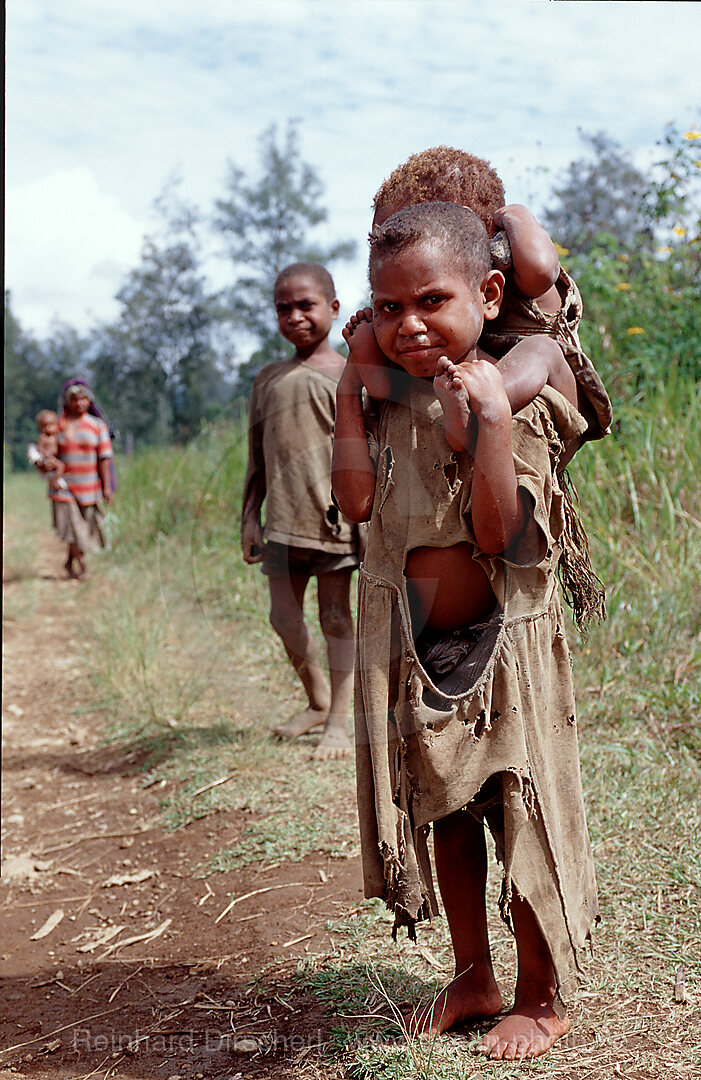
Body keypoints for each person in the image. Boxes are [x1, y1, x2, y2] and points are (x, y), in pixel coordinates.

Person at [332, 202, 601, 1061]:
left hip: (503, 654)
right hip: (419, 651)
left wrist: (486, 420)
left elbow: (501, 536)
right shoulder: (389, 392)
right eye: (386, 308)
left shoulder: (513, 381)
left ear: (488, 295)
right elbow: (355, 503)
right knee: (447, 814)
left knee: (519, 814)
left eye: (429, 303)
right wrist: (349, 383)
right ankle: (472, 973)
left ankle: (539, 994)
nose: (407, 326)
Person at [345, 145, 612, 464]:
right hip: (464, 411)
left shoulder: (519, 273)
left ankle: (482, 405)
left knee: (542, 351)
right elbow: (381, 387)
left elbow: (542, 269)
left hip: (555, 405)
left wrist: (516, 216)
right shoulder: (417, 310)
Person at [241, 262, 358, 761]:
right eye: (283, 308)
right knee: (282, 616)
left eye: (305, 305)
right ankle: (316, 700)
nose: (294, 316)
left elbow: (365, 453)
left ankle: (339, 721)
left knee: (334, 617)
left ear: (333, 308)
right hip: (283, 523)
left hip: (333, 522)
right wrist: (250, 516)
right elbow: (256, 456)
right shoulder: (268, 378)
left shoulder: (350, 377)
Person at [48, 379, 114, 579]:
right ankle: (82, 566)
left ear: (89, 401)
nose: (79, 404)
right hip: (63, 486)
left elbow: (104, 458)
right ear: (67, 402)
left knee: (82, 527)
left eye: (83, 399)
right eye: (74, 399)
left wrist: (107, 487)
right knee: (72, 526)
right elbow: (49, 450)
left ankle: (69, 562)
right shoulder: (58, 425)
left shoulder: (97, 426)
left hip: (88, 486)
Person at [29, 410, 68, 489]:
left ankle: (57, 479)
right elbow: (39, 448)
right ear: (40, 427)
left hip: (54, 457)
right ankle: (56, 481)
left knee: (60, 466)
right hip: (48, 458)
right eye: (45, 426)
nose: (48, 428)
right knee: (60, 466)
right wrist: (45, 453)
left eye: (51, 425)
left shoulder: (56, 436)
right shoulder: (43, 437)